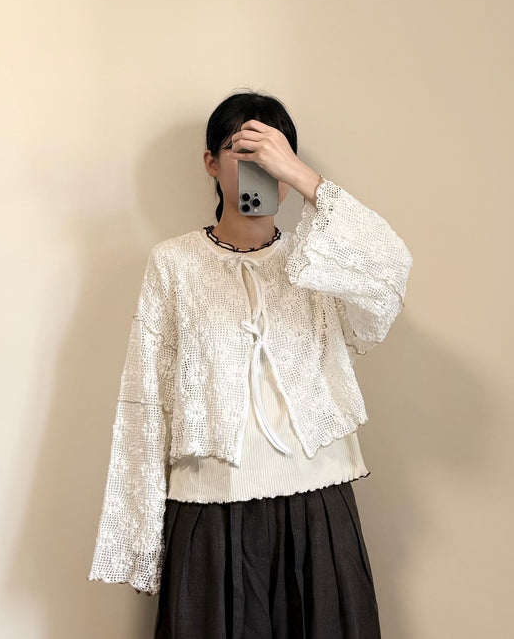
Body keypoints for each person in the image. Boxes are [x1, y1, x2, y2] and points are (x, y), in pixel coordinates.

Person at [87, 89, 413, 638]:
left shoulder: (319, 259)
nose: (261, 171)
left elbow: (391, 270)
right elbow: (146, 401)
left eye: (273, 156)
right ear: (211, 163)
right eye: (245, 153)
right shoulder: (174, 263)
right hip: (211, 504)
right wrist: (141, 540)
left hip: (318, 498)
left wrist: (303, 176)